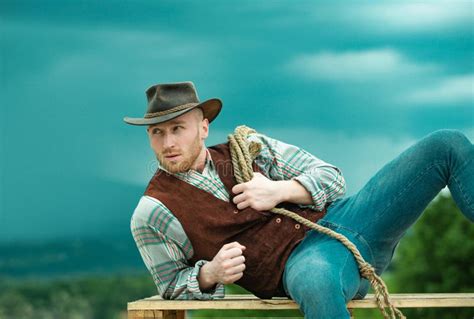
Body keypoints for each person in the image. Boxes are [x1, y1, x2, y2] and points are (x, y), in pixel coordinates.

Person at [124, 81, 474, 318]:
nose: (168, 143)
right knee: (317, 280)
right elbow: (169, 285)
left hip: (353, 218)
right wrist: (210, 274)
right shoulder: (152, 212)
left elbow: (333, 179)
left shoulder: (248, 147)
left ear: (202, 128)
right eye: (157, 132)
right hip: (303, 266)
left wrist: (280, 190)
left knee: (446, 144)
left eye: (178, 128)